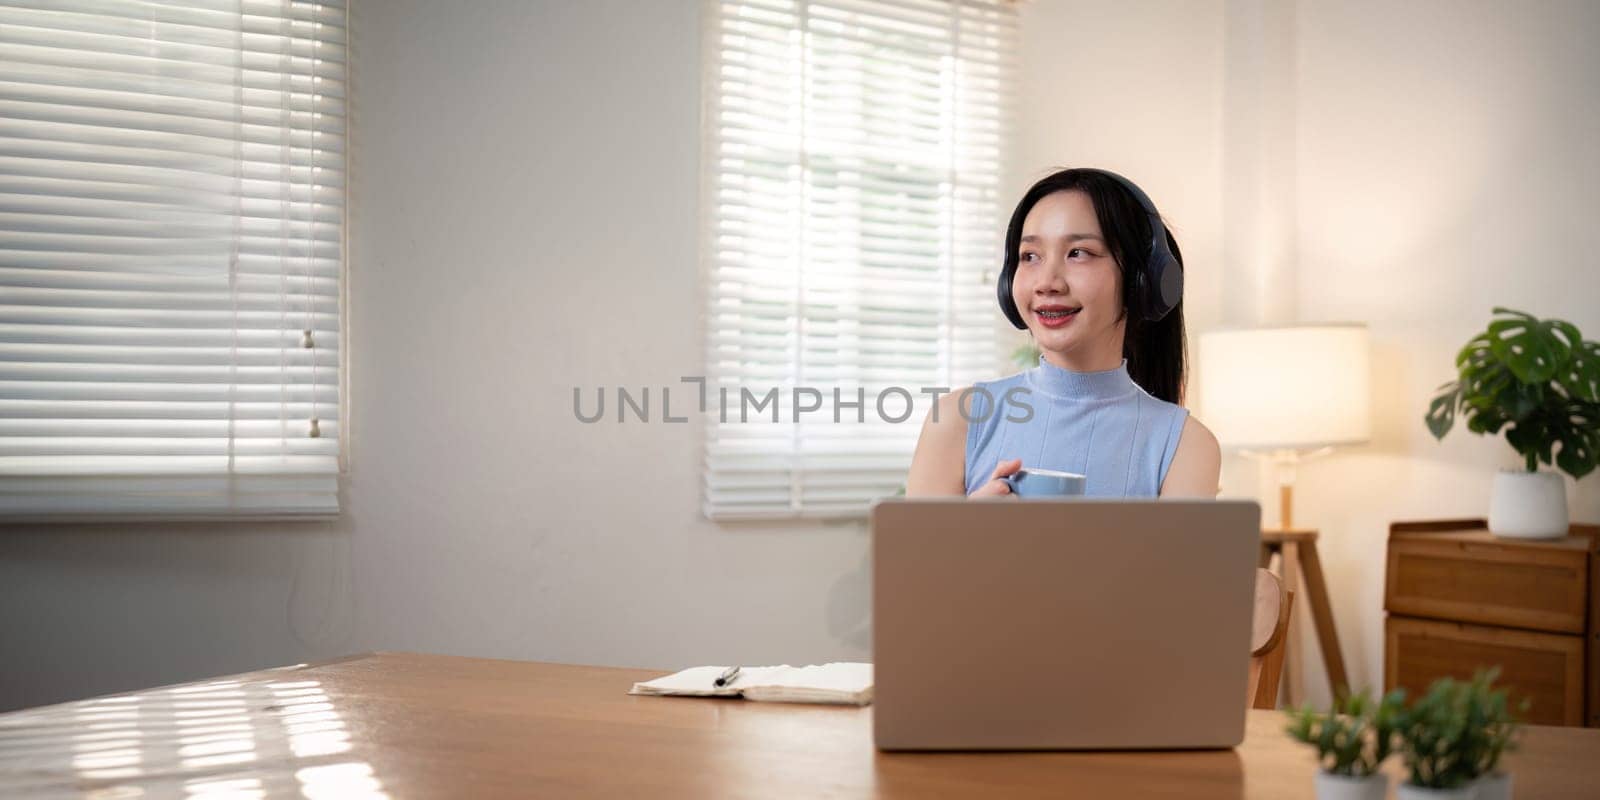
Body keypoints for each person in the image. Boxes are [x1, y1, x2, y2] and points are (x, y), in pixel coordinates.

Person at [905, 168, 1221, 498]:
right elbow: (912, 552)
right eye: (1029, 256)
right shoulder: (958, 420)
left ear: (1142, 281)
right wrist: (971, 529)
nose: (1047, 282)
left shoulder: (1187, 446)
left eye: (1078, 253)